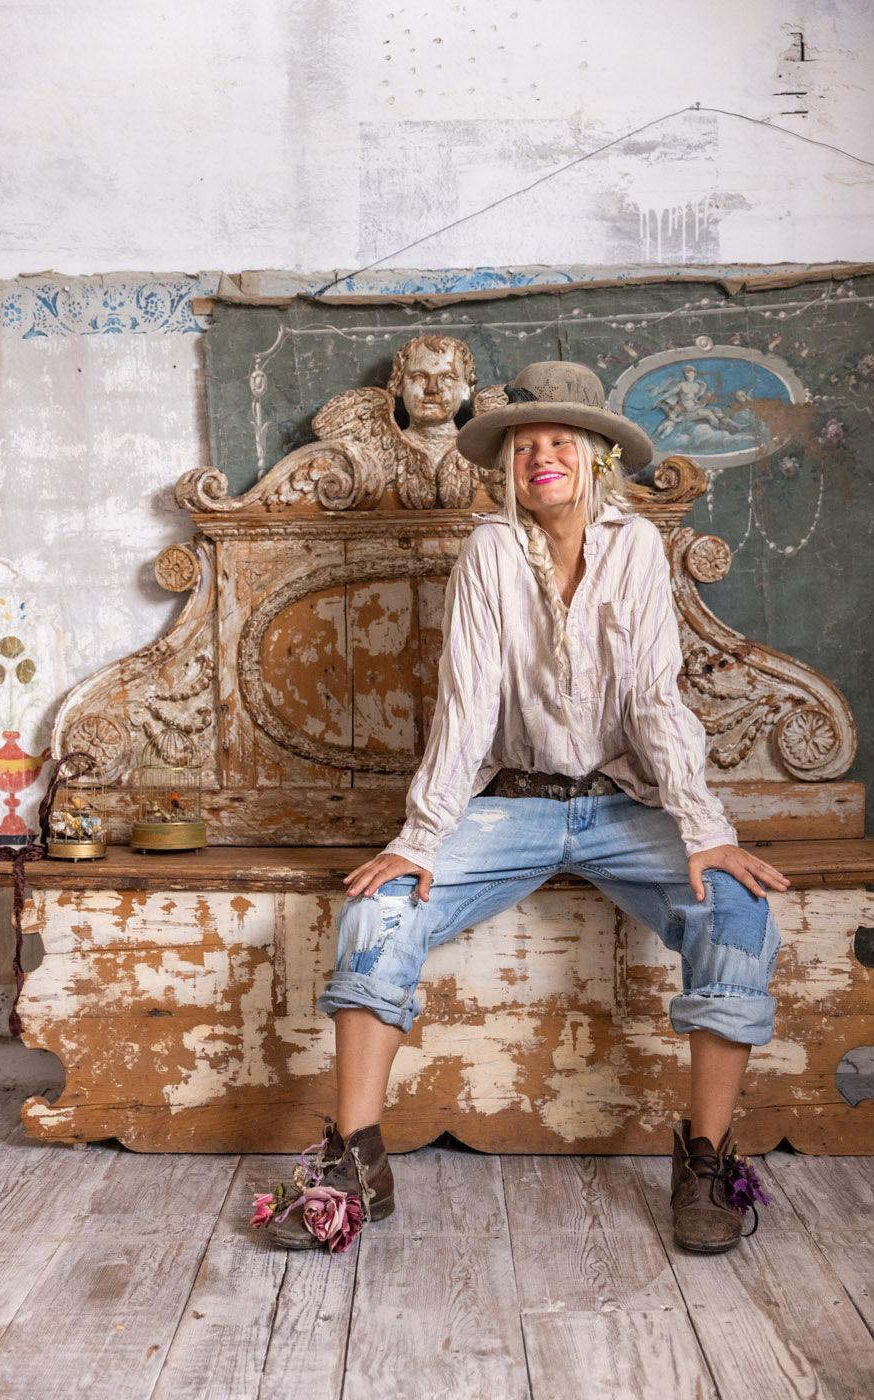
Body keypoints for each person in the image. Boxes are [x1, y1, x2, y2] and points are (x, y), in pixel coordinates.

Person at [263, 360, 788, 1256]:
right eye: (523, 445)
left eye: (558, 441)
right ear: (507, 465)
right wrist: (422, 838)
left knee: (737, 908)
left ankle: (705, 1160)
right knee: (378, 910)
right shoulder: (491, 552)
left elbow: (655, 699)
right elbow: (467, 705)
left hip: (626, 807)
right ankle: (355, 1160)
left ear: (594, 455)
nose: (540, 456)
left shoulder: (637, 548)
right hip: (513, 808)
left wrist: (704, 830)